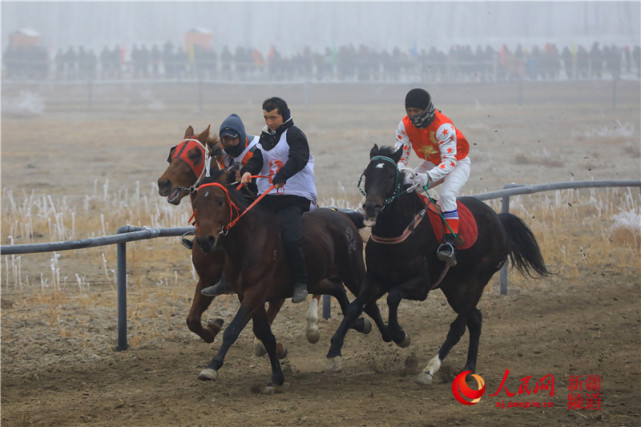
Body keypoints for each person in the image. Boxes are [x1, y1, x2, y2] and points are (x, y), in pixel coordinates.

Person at [239, 97, 316, 303]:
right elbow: (258, 158)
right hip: (269, 197)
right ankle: (230, 278)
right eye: (266, 117)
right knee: (241, 231)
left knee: (291, 238)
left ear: (284, 114)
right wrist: (247, 171)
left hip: (293, 196)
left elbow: (299, 158)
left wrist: (282, 176)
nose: (269, 122)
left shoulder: (294, 134)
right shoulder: (266, 137)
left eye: (273, 117)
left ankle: (300, 282)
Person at [399, 88, 471, 267]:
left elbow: (449, 162)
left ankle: (449, 243)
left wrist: (427, 177)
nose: (413, 115)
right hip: (432, 162)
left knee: (446, 195)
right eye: (410, 111)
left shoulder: (443, 126)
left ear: (427, 109)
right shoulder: (404, 125)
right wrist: (399, 174)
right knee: (405, 187)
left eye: (417, 111)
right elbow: (401, 156)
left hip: (457, 163)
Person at [200, 113, 259, 297]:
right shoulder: (221, 150)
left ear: (240, 137)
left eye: (231, 140)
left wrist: (240, 177)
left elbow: (260, 176)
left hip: (259, 194)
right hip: (235, 194)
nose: (227, 143)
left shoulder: (256, 148)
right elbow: (219, 176)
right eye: (224, 139)